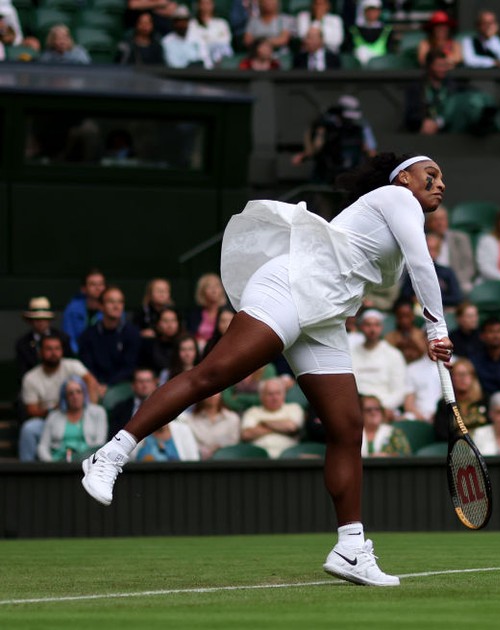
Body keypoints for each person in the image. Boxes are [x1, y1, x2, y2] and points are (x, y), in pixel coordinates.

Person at [81, 152, 455, 587]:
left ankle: (352, 548)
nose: (440, 182)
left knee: (347, 428)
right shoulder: (397, 197)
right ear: (403, 177)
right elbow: (422, 263)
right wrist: (437, 330)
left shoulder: (394, 211)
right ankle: (110, 454)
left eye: (444, 177)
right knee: (213, 375)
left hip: (324, 315)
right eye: (432, 174)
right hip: (291, 287)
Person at [18, 336, 100, 461]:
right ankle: (26, 472)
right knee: (29, 429)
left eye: (57, 349)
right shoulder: (31, 377)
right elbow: (32, 410)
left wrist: (87, 407)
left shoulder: (73, 365)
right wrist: (55, 409)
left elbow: (91, 382)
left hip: (78, 414)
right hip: (48, 417)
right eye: (49, 349)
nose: (54, 353)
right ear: (40, 353)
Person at [292, 95, 377, 183]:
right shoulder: (327, 125)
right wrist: (304, 156)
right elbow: (316, 147)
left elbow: (371, 150)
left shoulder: (361, 126)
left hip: (352, 172)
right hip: (326, 172)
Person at [78, 286, 142, 396]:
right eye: (111, 302)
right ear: (101, 306)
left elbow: (129, 367)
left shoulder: (132, 333)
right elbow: (87, 365)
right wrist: (96, 384)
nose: (116, 306)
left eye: (120, 302)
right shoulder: (88, 335)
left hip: (123, 384)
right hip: (94, 384)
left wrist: (108, 385)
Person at [350, 309, 407, 417]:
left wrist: (379, 408)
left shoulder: (394, 354)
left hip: (385, 409)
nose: (372, 329)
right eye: (368, 325)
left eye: (376, 325)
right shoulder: (351, 353)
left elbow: (399, 391)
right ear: (361, 327)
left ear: (381, 327)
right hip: (356, 408)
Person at [37, 377, 108, 462]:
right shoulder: (53, 416)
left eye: (79, 392)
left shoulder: (98, 412)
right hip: (58, 463)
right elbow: (43, 446)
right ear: (65, 397)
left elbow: (99, 443)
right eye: (70, 393)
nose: (75, 396)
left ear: (84, 394)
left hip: (87, 461)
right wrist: (50, 464)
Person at [240, 377, 305, 458]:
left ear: (284, 394)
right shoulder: (252, 412)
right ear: (261, 396)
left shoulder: (294, 408)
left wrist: (263, 423)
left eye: (278, 393)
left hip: (289, 458)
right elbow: (246, 434)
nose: (275, 398)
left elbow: (291, 428)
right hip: (257, 460)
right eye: (270, 394)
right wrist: (280, 428)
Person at [15, 297, 72, 377]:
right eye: (37, 319)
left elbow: (69, 365)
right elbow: (23, 373)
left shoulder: (63, 338)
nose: (41, 322)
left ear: (49, 320)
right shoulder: (23, 344)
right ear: (30, 321)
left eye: (44, 319)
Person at [424, 205, 476, 293]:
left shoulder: (460, 238)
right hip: (429, 281)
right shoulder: (422, 240)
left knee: (467, 288)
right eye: (436, 220)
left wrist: (452, 281)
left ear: (447, 221)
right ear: (429, 223)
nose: (440, 223)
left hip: (457, 280)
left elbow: (469, 267)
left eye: (442, 219)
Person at [434, 357, 487, 442]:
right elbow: (441, 434)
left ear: (473, 377)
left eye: (465, 374)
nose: (462, 378)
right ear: (451, 378)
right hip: (457, 450)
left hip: (483, 448)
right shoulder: (444, 405)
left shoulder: (484, 400)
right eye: (458, 375)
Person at [181, 392, 241, 459]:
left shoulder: (232, 418)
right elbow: (190, 445)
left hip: (227, 462)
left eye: (216, 392)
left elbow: (234, 444)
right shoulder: (190, 420)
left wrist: (220, 450)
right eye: (209, 391)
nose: (212, 396)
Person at [63, 269, 106, 355]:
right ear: (84, 289)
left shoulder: (112, 308)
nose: (98, 288)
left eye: (101, 284)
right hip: (78, 357)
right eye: (93, 284)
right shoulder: (72, 309)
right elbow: (68, 338)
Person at [108, 368, 159, 436]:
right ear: (133, 385)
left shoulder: (165, 406)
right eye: (140, 381)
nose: (144, 385)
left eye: (148, 381)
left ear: (155, 384)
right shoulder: (120, 409)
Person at [187, 273, 228, 352]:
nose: (214, 290)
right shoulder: (194, 314)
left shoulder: (228, 313)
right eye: (209, 287)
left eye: (217, 286)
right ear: (202, 291)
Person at [137, 307, 182, 374]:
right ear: (158, 324)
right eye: (165, 321)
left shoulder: (184, 343)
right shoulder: (149, 345)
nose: (170, 325)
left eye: (173, 320)